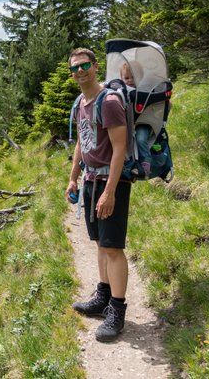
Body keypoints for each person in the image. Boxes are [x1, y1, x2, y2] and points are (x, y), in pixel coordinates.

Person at [66, 48, 131, 342]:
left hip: (110, 181)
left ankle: (117, 311)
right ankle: (102, 296)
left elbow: (120, 148)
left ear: (96, 66)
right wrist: (73, 177)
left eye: (85, 66)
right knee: (99, 243)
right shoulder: (81, 101)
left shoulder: (111, 101)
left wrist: (110, 192)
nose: (80, 71)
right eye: (75, 68)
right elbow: (82, 139)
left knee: (113, 246)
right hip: (91, 179)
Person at [120, 61, 153, 179]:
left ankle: (146, 166)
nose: (130, 81)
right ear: (121, 78)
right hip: (128, 123)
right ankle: (128, 165)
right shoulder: (121, 92)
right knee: (122, 142)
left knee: (140, 139)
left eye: (134, 77)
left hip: (144, 122)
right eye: (126, 78)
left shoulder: (145, 90)